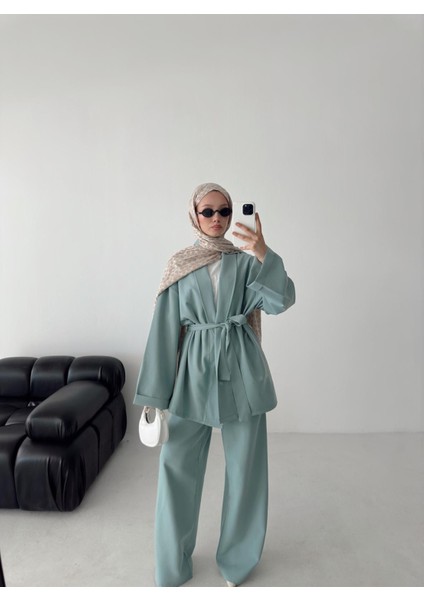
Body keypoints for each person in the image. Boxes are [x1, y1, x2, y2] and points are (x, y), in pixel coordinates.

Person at [134, 182, 295, 587]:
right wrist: (155, 396)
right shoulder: (180, 265)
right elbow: (164, 331)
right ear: (194, 214)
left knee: (246, 471)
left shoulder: (246, 264)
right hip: (192, 374)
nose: (217, 218)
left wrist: (263, 253)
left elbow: (281, 301)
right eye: (208, 211)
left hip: (243, 370)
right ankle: (172, 566)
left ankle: (237, 562)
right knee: (177, 468)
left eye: (224, 211)